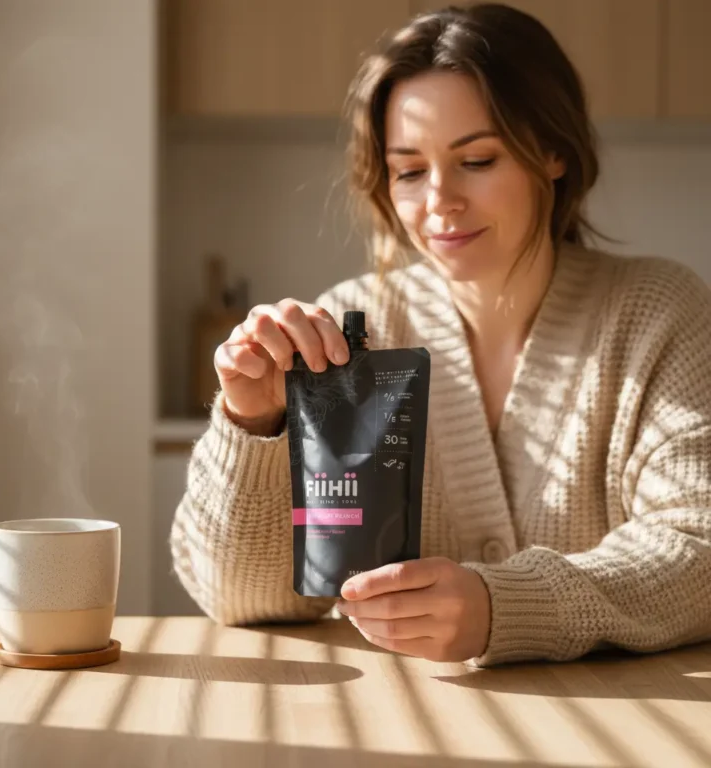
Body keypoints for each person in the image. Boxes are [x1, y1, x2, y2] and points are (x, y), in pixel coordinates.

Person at [170, 3, 711, 667]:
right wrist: (254, 425)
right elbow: (243, 600)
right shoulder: (349, 332)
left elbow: (698, 547)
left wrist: (503, 606)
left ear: (554, 154)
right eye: (409, 170)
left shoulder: (657, 312)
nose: (439, 202)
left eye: (477, 160)